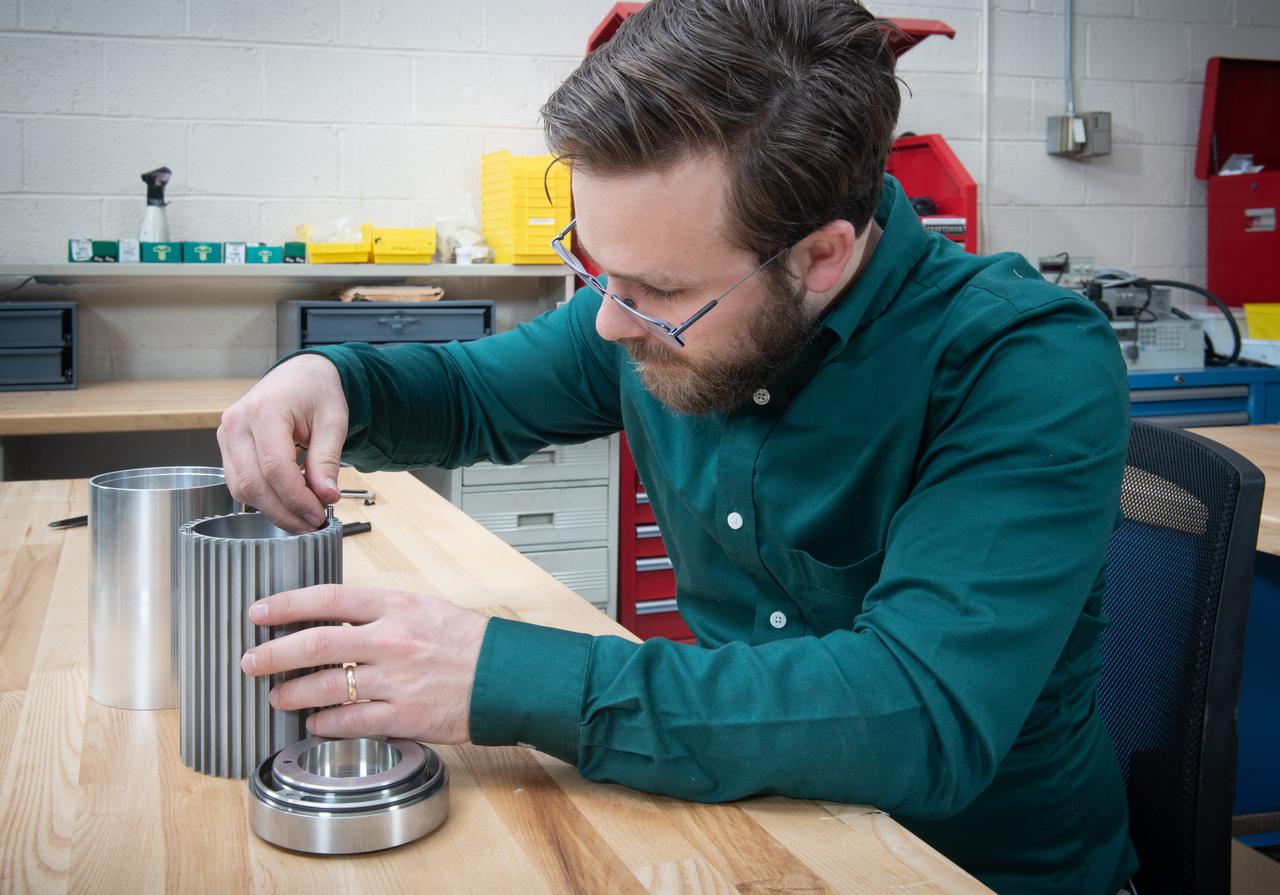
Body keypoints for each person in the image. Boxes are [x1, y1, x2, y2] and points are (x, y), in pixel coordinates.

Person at [218, 1, 1137, 891]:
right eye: (597, 268)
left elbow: (918, 711)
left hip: (969, 870)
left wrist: (494, 673)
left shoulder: (1020, 359)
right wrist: (334, 378)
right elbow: (467, 392)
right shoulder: (652, 303)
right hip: (745, 828)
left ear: (822, 258)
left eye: (656, 289)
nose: (611, 324)